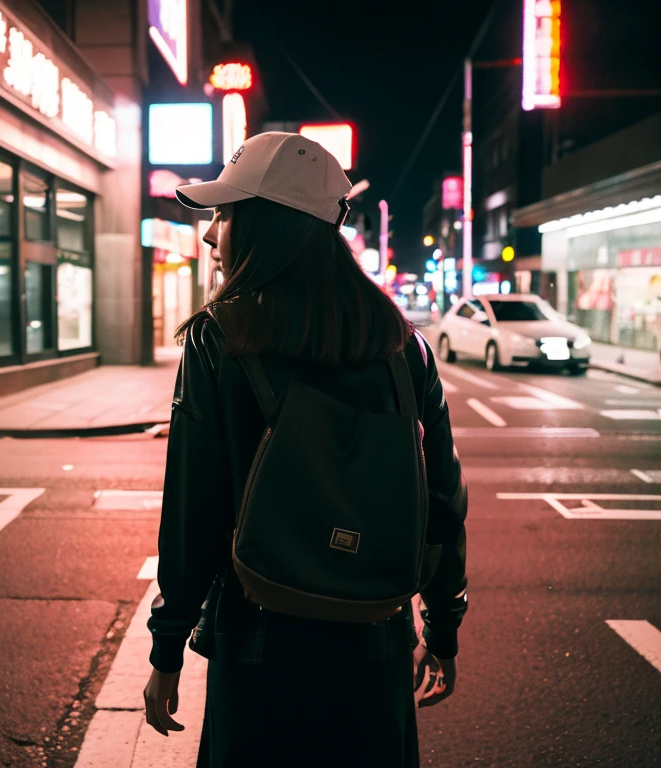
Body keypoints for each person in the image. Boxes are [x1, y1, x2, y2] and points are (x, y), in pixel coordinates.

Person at [142, 132, 468, 767]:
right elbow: (441, 503)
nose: (211, 234)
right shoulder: (404, 346)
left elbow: (191, 516)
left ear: (269, 223)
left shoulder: (220, 339)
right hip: (376, 636)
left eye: (226, 212)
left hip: (260, 636)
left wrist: (167, 649)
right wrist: (443, 628)